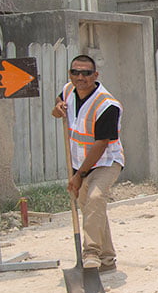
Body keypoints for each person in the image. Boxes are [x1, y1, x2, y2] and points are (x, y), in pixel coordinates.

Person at [51, 54, 124, 272]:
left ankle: (91, 253)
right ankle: (108, 259)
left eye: (86, 73)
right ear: (70, 74)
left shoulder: (107, 105)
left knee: (95, 197)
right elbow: (59, 102)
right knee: (91, 209)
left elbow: (101, 144)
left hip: (105, 161)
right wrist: (57, 109)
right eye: (76, 72)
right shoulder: (68, 91)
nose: (80, 77)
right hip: (78, 161)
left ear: (95, 75)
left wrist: (78, 175)